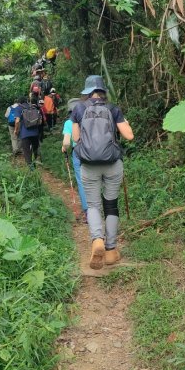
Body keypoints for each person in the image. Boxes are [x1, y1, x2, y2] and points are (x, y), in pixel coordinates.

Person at [71, 75, 134, 269]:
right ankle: (111, 250)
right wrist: (125, 123)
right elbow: (129, 136)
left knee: (93, 205)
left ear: (87, 92)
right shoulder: (113, 109)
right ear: (103, 91)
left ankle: (97, 240)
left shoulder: (78, 109)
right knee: (111, 204)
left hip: (89, 165)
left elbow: (76, 139)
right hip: (112, 163)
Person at [62, 98, 88, 221]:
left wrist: (64, 147)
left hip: (77, 152)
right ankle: (97, 208)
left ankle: (87, 211)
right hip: (91, 152)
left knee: (81, 181)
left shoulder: (69, 123)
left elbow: (67, 141)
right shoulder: (89, 118)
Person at [14, 96, 43, 169]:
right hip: (35, 133)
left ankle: (31, 168)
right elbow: (40, 121)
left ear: (19, 102)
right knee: (35, 149)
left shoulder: (19, 108)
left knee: (26, 151)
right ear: (27, 101)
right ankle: (35, 162)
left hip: (25, 134)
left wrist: (16, 130)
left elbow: (17, 121)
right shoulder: (33, 107)